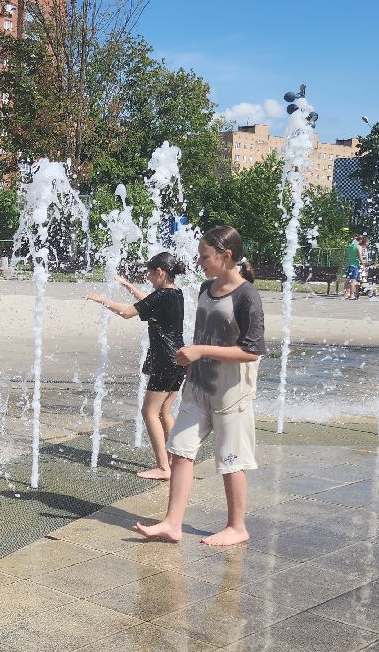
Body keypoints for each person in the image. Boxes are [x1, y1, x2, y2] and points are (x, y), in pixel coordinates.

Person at [134, 225, 266, 549]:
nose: (199, 263)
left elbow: (252, 350)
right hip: (198, 386)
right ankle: (172, 523)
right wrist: (192, 358)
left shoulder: (247, 296)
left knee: (231, 459)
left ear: (227, 256)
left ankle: (237, 527)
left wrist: (200, 351)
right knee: (179, 450)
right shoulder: (206, 289)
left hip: (231, 393)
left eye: (205, 256)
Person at [88, 252, 188, 479]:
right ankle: (176, 461)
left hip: (164, 359)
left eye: (150, 274)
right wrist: (128, 286)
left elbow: (127, 312)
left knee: (149, 411)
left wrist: (102, 300)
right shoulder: (175, 293)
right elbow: (147, 303)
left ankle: (163, 467)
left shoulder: (162, 295)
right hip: (179, 358)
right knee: (164, 412)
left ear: (160, 272)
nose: (149, 278)